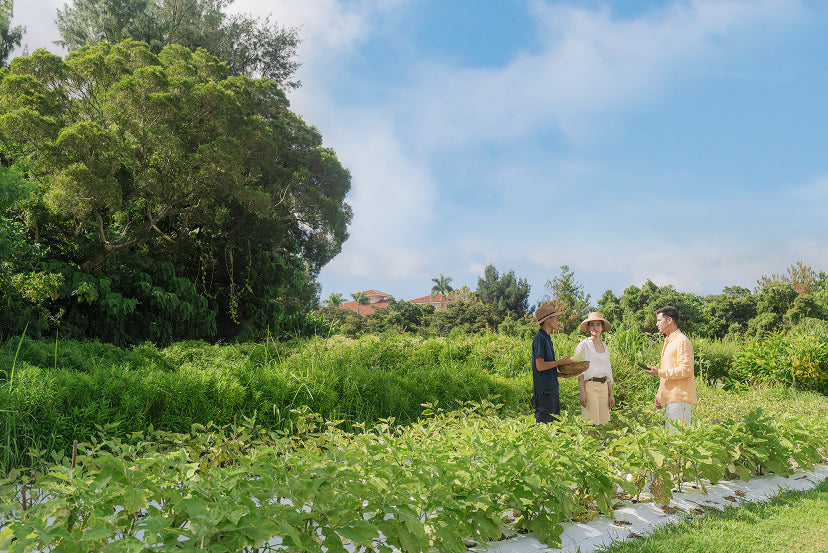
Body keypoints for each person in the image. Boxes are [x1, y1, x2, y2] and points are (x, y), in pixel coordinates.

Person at [641, 306, 697, 430]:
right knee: (671, 437)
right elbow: (667, 370)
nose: (656, 324)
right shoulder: (669, 342)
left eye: (659, 320)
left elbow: (685, 369)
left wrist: (658, 372)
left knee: (676, 439)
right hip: (672, 398)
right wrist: (660, 394)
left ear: (669, 320)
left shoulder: (681, 341)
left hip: (679, 397)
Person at [531, 304, 576, 423]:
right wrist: (561, 362)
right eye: (554, 317)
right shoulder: (539, 338)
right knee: (545, 433)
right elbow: (540, 366)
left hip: (552, 393)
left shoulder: (547, 339)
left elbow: (546, 369)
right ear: (547, 320)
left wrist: (561, 375)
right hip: (544, 394)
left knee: (554, 433)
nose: (557, 320)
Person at [575, 312, 615, 425]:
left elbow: (608, 371)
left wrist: (610, 394)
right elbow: (579, 372)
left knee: (603, 424)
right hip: (590, 387)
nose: (595, 328)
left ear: (602, 328)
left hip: (603, 388)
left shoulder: (605, 347)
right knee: (591, 424)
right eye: (592, 324)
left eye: (598, 324)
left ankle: (602, 443)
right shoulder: (583, 345)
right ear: (588, 328)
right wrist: (582, 393)